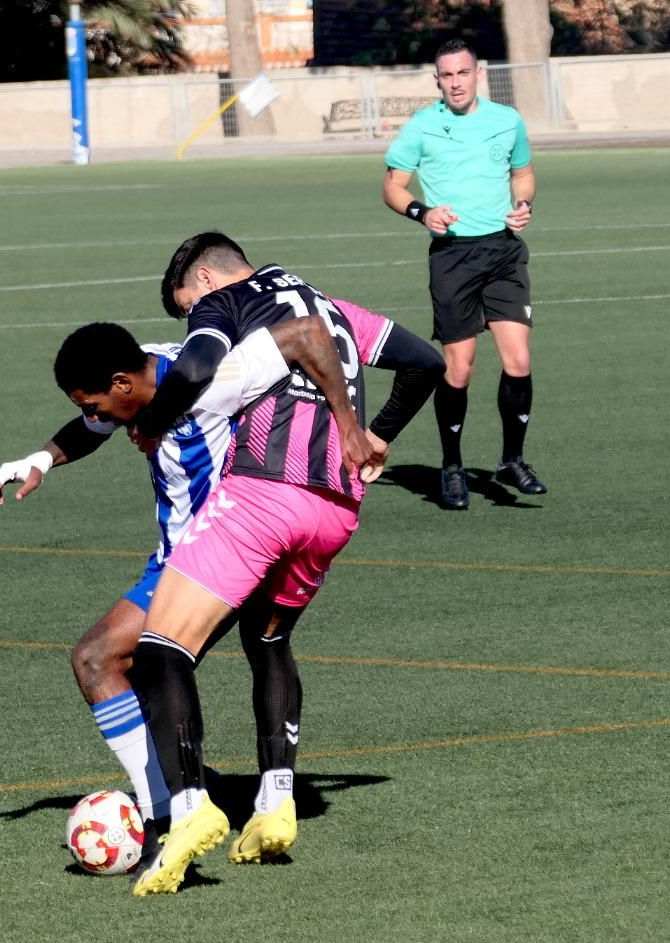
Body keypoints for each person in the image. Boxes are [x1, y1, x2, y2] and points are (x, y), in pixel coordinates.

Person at [114, 232, 442, 895]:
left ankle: (190, 808)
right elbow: (425, 363)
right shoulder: (335, 309)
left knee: (159, 650)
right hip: (337, 508)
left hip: (265, 493)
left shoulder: (227, 302)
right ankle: (275, 801)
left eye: (187, 305)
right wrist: (375, 434)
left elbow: (197, 366)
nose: (190, 318)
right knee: (268, 639)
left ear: (207, 279)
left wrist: (157, 420)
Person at [0, 321, 323, 864]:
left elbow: (297, 350)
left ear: (122, 384)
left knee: (99, 659)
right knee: (139, 679)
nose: (94, 416)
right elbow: (91, 429)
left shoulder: (211, 384)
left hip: (215, 559)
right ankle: (193, 788)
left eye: (94, 404)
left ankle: (166, 817)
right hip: (180, 557)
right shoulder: (144, 367)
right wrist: (41, 459)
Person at [382, 36, 546, 510]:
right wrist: (422, 212)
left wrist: (523, 203)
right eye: (447, 75)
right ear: (437, 80)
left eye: (463, 73)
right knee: (460, 367)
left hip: (503, 251)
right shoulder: (422, 126)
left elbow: (523, 173)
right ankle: (452, 466)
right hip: (453, 257)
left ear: (479, 74)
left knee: (519, 360)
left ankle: (512, 460)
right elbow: (393, 186)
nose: (456, 82)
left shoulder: (507, 120)